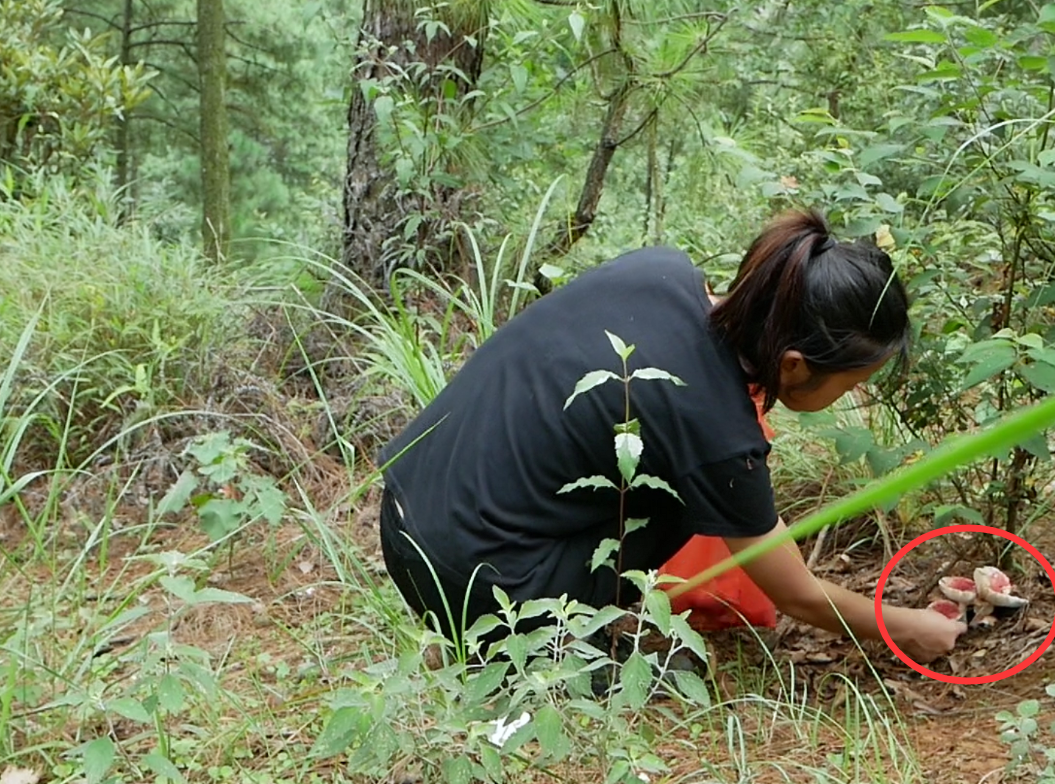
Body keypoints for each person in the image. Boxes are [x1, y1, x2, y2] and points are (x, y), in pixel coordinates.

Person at [377, 208, 967, 664]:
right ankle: (529, 655)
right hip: (471, 582)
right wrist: (909, 627)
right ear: (793, 365)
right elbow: (798, 595)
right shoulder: (713, 433)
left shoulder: (661, 270)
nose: (853, 395)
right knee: (681, 504)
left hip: (406, 506)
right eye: (853, 381)